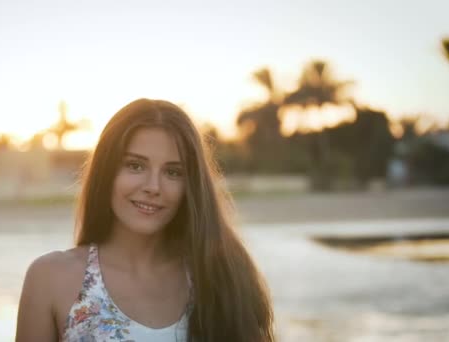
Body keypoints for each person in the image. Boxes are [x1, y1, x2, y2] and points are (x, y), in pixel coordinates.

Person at [16, 98, 274, 341]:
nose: (153, 186)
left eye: (173, 172)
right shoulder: (50, 278)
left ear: (191, 185)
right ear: (107, 172)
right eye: (135, 166)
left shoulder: (221, 275)